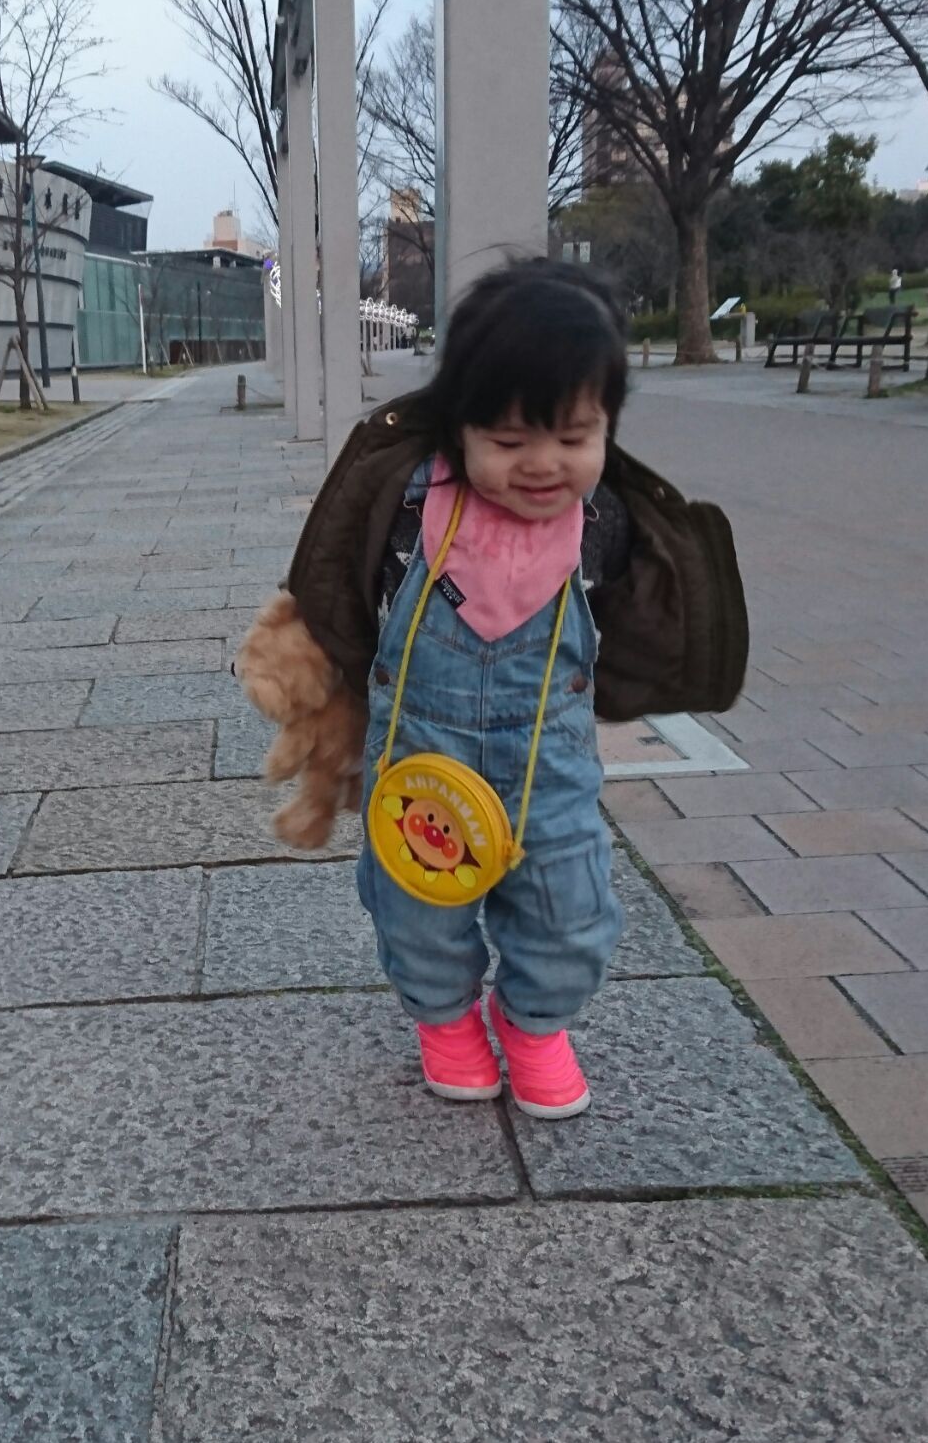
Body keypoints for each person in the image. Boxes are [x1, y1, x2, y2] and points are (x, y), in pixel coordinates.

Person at [236, 260, 747, 1117]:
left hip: (549, 774)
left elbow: (646, 626)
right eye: (508, 443)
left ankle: (533, 1023)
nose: (542, 465)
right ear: (457, 430)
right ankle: (444, 1021)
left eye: (574, 438)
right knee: (417, 915)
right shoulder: (405, 504)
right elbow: (337, 592)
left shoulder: (607, 526)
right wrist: (317, 683)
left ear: (606, 427)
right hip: (419, 765)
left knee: (570, 916)